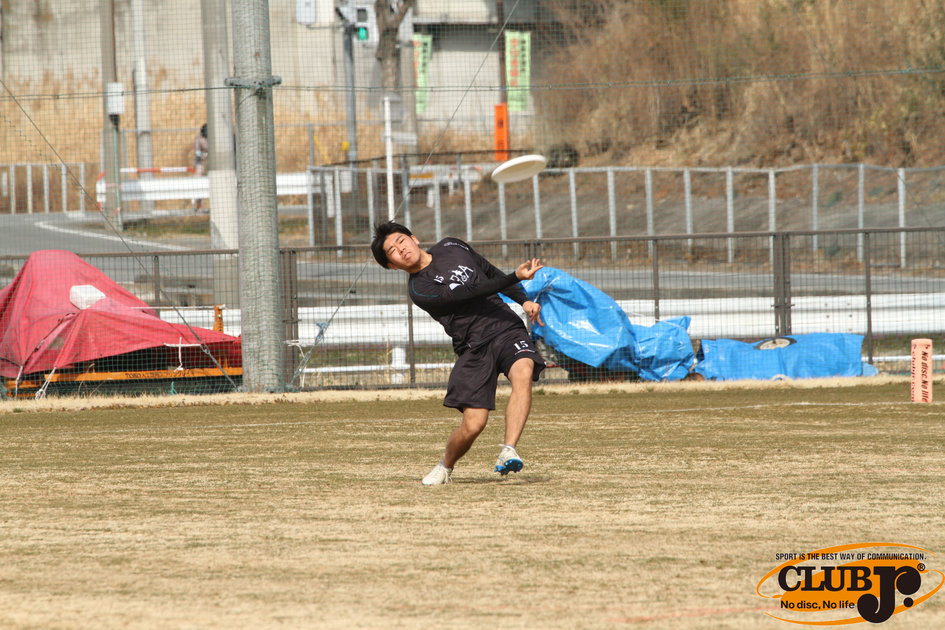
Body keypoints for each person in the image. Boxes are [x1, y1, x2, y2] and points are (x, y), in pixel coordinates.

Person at [371, 221, 546, 485]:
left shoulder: (452, 245)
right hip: (473, 346)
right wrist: (515, 276)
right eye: (393, 251)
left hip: (505, 326)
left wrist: (524, 300)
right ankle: (445, 466)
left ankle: (508, 450)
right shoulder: (420, 289)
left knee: (524, 370)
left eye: (401, 241)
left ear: (414, 238)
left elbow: (489, 272)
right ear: (392, 265)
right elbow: (469, 292)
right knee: (474, 424)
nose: (401, 249)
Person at [192, 123, 209, 212]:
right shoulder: (199, 139)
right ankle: (196, 201)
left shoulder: (213, 138)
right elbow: (197, 152)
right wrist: (203, 155)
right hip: (201, 162)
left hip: (210, 162)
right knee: (199, 173)